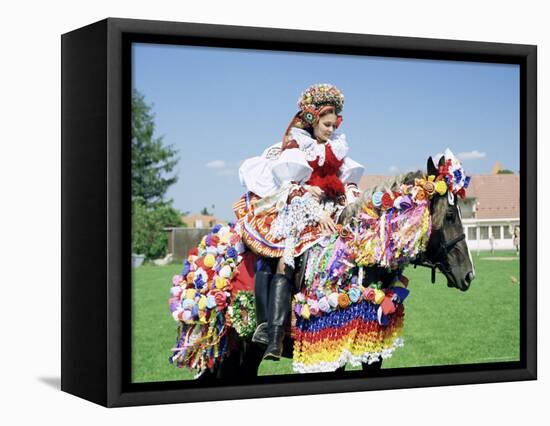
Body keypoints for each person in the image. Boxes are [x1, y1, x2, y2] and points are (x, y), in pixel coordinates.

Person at [233, 83, 364, 360]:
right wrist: (313, 203)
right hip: (298, 209)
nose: (330, 130)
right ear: (313, 120)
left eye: (334, 124)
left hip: (330, 208)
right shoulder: (295, 146)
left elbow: (346, 182)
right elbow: (289, 185)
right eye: (326, 124)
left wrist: (350, 200)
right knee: (283, 258)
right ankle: (273, 334)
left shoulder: (337, 148)